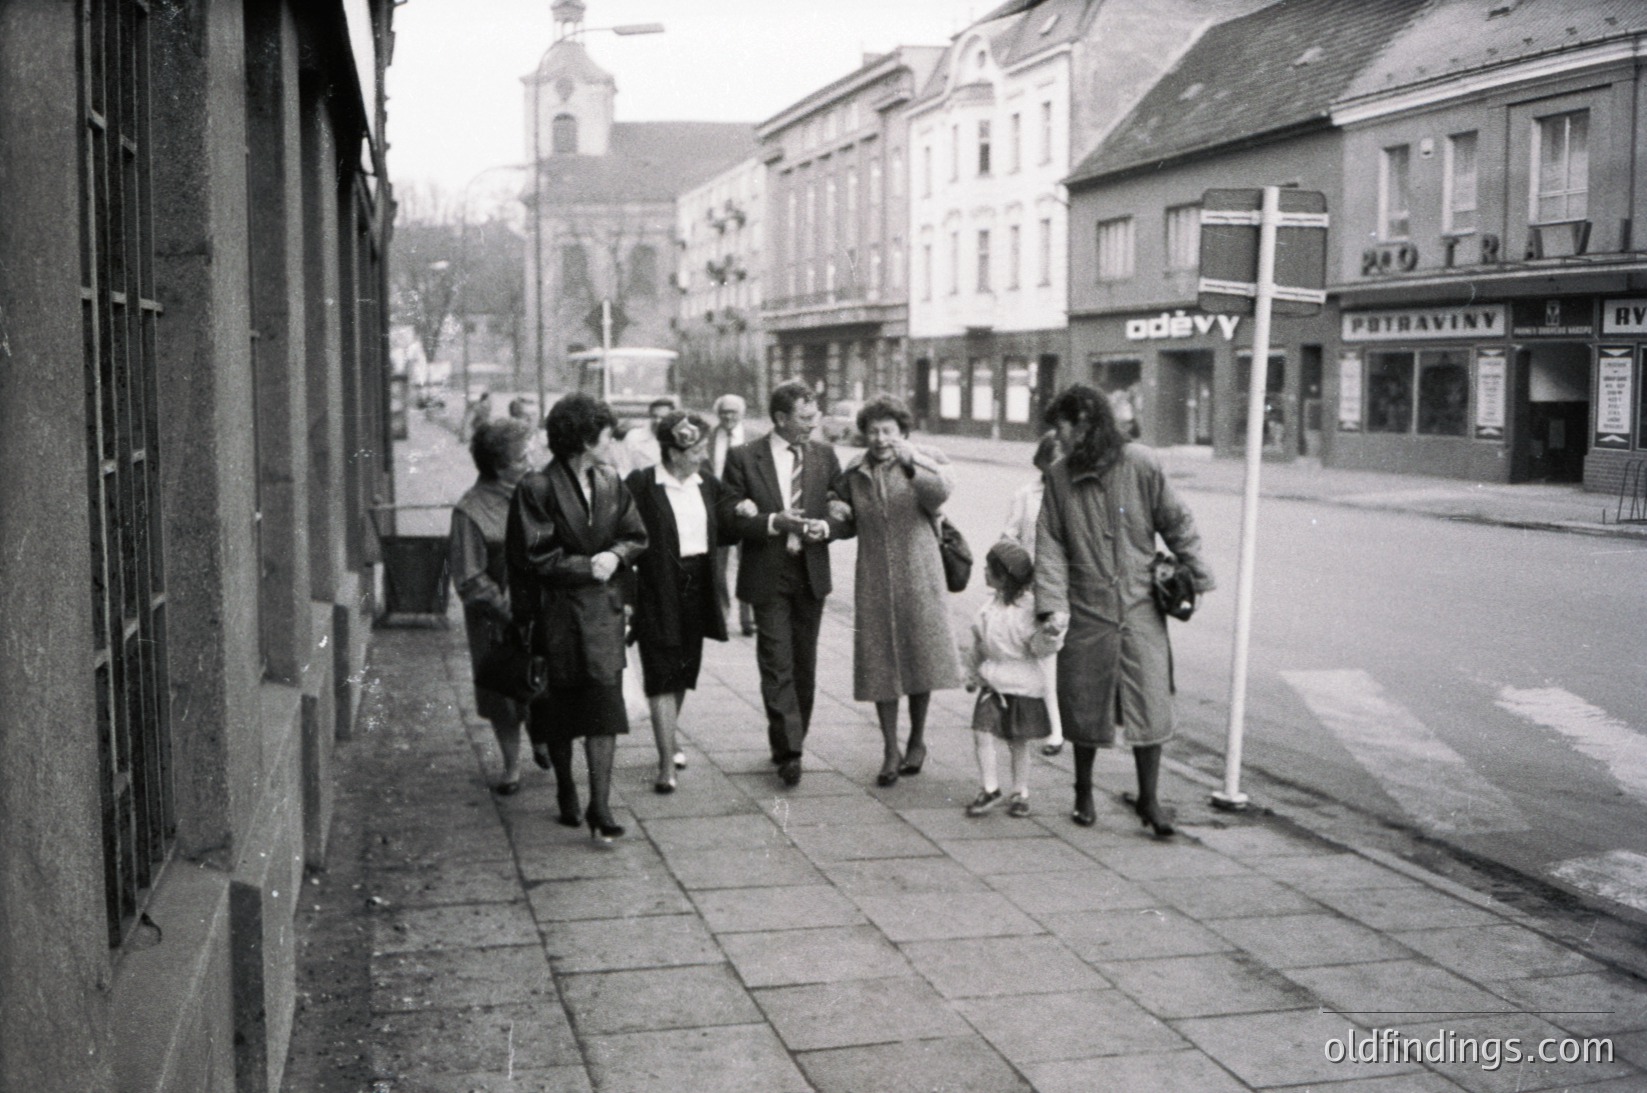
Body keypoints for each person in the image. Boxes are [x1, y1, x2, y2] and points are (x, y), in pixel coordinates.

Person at [1035, 384, 1213, 835]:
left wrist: (1197, 573)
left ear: (1084, 423)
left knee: (1148, 700)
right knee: (1084, 700)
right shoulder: (1058, 477)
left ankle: (1150, 799)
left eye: (1062, 427)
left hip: (1139, 606)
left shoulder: (1141, 463)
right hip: (1087, 604)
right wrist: (1053, 604)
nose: (1058, 437)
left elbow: (1176, 521)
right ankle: (1083, 790)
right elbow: (1051, 543)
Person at [507, 392, 648, 841]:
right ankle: (567, 789)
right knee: (563, 712)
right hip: (558, 616)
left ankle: (600, 805)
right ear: (586, 438)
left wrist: (617, 555)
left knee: (605, 709)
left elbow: (635, 533)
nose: (612, 440)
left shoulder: (610, 479)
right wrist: (590, 566)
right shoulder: (537, 487)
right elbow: (533, 556)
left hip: (602, 614)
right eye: (606, 433)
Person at [717, 380, 849, 788]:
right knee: (776, 663)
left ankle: (790, 738)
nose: (815, 424)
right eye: (806, 418)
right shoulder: (743, 457)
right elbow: (726, 515)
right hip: (767, 574)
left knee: (804, 666)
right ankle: (791, 751)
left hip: (810, 574)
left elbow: (846, 512)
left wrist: (826, 526)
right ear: (780, 419)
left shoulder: (825, 456)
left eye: (816, 416)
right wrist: (774, 522)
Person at [828, 395, 961, 787]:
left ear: (903, 432)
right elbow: (846, 519)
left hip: (919, 574)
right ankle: (889, 748)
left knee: (920, 657)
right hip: (873, 579)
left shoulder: (921, 461)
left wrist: (911, 462)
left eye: (888, 431)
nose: (880, 438)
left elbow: (939, 495)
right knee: (880, 663)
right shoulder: (855, 471)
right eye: (873, 431)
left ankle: (917, 739)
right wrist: (836, 513)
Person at [626, 411, 728, 794]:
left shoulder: (708, 485)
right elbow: (620, 529)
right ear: (672, 451)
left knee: (684, 668)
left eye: (703, 448)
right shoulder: (642, 484)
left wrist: (758, 516)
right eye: (696, 450)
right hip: (656, 587)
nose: (702, 456)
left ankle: (669, 740)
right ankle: (666, 761)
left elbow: (731, 519)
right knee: (661, 671)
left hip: (697, 585)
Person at [447, 418, 535, 795]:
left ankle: (543, 743)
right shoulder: (471, 511)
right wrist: (507, 611)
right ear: (499, 467)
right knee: (502, 690)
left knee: (541, 681)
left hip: (537, 612)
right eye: (521, 458)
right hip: (496, 622)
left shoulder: (532, 494)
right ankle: (512, 764)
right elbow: (469, 577)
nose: (530, 462)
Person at [962, 540, 1062, 818]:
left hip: (1022, 687)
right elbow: (979, 645)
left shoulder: (1031, 612)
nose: (983, 571)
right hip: (993, 685)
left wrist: (1049, 634)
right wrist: (972, 674)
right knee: (981, 733)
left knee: (1018, 742)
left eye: (988, 568)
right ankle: (990, 787)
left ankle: (1020, 791)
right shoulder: (987, 610)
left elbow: (1041, 648)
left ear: (1003, 576)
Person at [999, 432, 1067, 756]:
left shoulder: (1076, 494)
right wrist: (1014, 567)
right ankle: (1054, 729)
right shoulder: (1026, 495)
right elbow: (1009, 535)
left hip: (1067, 586)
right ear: (1042, 461)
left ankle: (1055, 725)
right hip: (1033, 586)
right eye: (1054, 458)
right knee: (1044, 658)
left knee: (1053, 658)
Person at [708, 393, 756, 637]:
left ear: (742, 414)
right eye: (724, 411)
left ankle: (749, 620)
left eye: (733, 412)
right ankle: (721, 616)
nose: (728, 416)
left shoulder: (753, 439)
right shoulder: (708, 437)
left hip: (747, 509)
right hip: (717, 511)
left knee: (749, 564)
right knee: (717, 567)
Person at [621, 396, 676, 472]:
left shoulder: (677, 441)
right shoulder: (633, 437)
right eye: (654, 416)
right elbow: (624, 469)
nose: (658, 421)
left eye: (663, 418)